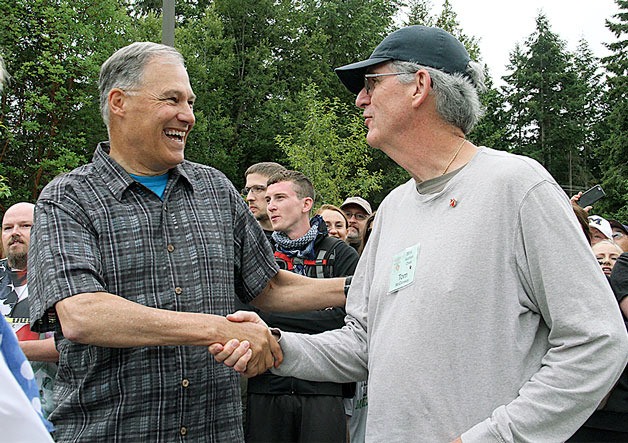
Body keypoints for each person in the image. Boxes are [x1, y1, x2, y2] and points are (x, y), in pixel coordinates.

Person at [212, 25, 628, 442]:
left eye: (371, 83)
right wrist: (277, 346)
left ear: (419, 87)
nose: (360, 99)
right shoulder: (394, 207)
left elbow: (597, 342)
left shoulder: (518, 187)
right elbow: (362, 343)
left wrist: (497, 437)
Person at [27, 42, 346, 442]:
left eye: (190, 102)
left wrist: (360, 288)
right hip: (111, 432)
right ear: (119, 102)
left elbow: (270, 286)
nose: (188, 116)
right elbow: (82, 314)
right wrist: (215, 329)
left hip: (215, 432)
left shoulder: (214, 188)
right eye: (172, 99)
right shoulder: (68, 198)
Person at [245, 170, 358, 442]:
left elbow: (348, 319)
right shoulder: (258, 251)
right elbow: (249, 311)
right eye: (268, 198)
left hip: (324, 385)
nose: (270, 205)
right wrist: (319, 312)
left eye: (280, 197)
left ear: (306, 204)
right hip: (266, 383)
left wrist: (274, 317)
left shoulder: (339, 252)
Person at [1, 202, 58, 418]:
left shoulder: (63, 277)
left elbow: (76, 345)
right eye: (8, 227)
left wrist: (9, 349)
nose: (15, 233)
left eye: (25, 226)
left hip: (46, 409)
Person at [242, 162, 286, 245]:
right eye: (248, 190)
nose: (249, 198)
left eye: (258, 189)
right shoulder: (241, 239)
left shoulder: (305, 238)